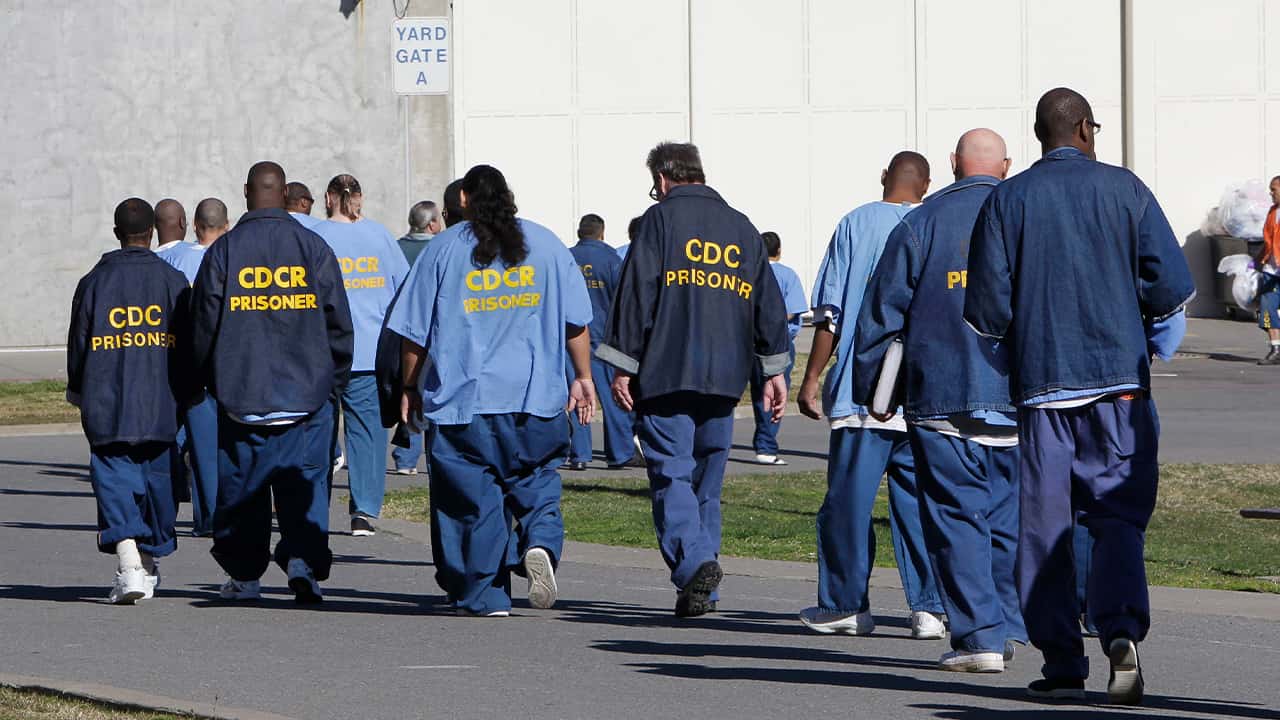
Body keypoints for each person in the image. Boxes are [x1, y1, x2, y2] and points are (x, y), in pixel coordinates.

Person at [965, 88, 1194, 704]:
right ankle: (1119, 631)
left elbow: (986, 310)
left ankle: (1063, 660)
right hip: (1118, 385)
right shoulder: (1126, 189)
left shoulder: (1007, 199)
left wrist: (1017, 348)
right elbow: (1171, 286)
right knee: (1116, 515)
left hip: (1043, 390)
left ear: (1039, 135)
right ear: (1088, 130)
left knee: (1043, 525)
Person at [853, 129, 1026, 673]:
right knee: (1007, 519)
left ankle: (980, 636)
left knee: (955, 518)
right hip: (1019, 396)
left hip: (943, 393)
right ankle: (1008, 623)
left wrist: (871, 389)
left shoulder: (921, 223)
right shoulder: (1026, 216)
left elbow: (882, 313)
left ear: (952, 164)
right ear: (1005, 165)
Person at [388, 164, 595, 617]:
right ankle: (539, 540)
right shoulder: (547, 245)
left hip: (466, 403)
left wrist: (411, 385)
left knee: (471, 502)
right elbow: (576, 322)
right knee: (538, 480)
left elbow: (414, 334)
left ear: (462, 199)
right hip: (535, 398)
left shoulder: (442, 249)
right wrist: (582, 377)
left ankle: (484, 594)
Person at [598, 142, 790, 617]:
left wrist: (623, 362)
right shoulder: (743, 227)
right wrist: (773, 370)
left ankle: (696, 561)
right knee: (706, 481)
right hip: (725, 376)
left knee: (670, 473)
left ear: (663, 179)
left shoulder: (660, 220)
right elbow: (768, 305)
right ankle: (702, 588)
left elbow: (637, 291)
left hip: (667, 370)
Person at [796, 151, 946, 639]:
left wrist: (813, 376)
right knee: (920, 504)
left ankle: (845, 603)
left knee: (848, 502)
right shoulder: (936, 223)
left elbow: (831, 312)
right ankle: (929, 607)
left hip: (865, 390)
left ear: (885, 177)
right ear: (927, 184)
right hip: (925, 390)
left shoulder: (855, 224)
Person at [190, 161, 353, 604]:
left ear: (246, 193)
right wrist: (333, 381)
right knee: (306, 488)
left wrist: (207, 379)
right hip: (308, 396)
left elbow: (202, 325)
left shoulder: (223, 253)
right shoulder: (313, 246)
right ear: (284, 195)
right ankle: (303, 561)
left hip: (244, 395)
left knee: (244, 492)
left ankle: (245, 576)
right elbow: (338, 321)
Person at [66, 198, 191, 604]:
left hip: (109, 401)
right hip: (160, 401)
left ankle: (136, 566)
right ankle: (136, 565)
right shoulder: (172, 282)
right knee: (158, 486)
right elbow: (189, 345)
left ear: (117, 233)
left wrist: (78, 387)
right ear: (151, 233)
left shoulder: (93, 283)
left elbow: (79, 343)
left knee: (116, 481)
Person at [312, 175, 410, 537]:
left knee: (320, 430)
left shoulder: (317, 235)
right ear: (359, 198)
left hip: (324, 350)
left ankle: (314, 506)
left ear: (328, 197)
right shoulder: (381, 236)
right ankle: (364, 511)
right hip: (370, 350)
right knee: (366, 432)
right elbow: (403, 288)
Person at [157, 198, 230, 536]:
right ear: (226, 225)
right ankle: (223, 515)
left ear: (196, 226)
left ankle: (205, 516)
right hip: (228, 364)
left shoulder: (176, 260)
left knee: (200, 448)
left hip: (189, 364)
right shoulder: (233, 257)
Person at [562, 213, 643, 471]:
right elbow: (624, 300)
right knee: (613, 398)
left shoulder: (565, 258)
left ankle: (580, 454)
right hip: (604, 338)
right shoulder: (611, 259)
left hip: (571, 337)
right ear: (602, 232)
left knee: (578, 395)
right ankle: (619, 453)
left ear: (579, 233)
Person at [389, 200, 444, 476]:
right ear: (432, 224)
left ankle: (405, 456)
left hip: (400, 332)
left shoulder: (396, 248)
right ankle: (432, 454)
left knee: (407, 392)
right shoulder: (439, 249)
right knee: (430, 390)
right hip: (432, 333)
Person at [749, 231, 807, 465]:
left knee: (753, 393)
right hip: (778, 344)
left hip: (748, 341)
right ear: (779, 251)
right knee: (773, 394)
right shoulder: (787, 275)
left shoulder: (751, 273)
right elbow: (792, 310)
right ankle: (766, 446)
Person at [1256, 175, 1280, 365]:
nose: (1271, 193)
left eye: (1274, 189)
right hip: (1271, 271)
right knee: (1267, 309)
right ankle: (1276, 348)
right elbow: (1268, 241)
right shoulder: (1272, 212)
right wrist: (1256, 262)